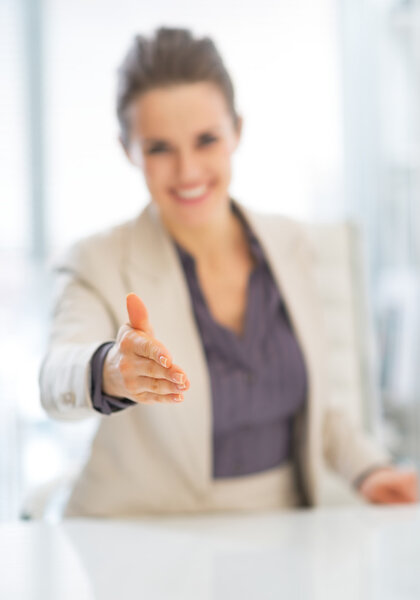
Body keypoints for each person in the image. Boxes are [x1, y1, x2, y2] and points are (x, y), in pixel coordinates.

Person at [39, 27, 418, 517]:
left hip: (282, 530)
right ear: (127, 149)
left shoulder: (294, 245)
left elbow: (315, 408)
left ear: (237, 130)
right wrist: (108, 370)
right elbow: (54, 379)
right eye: (159, 148)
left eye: (206, 140)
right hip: (142, 535)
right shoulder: (96, 260)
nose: (188, 170)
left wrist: (372, 471)